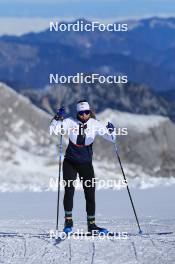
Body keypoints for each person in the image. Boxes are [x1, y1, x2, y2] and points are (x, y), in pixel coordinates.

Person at [50, 100, 116, 234]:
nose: (84, 115)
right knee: (69, 190)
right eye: (81, 113)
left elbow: (111, 138)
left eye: (86, 112)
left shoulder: (95, 124)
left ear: (90, 112)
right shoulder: (69, 122)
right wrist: (57, 118)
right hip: (70, 162)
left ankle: (91, 225)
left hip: (86, 164)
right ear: (77, 113)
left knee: (90, 193)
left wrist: (111, 131)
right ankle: (68, 222)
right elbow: (53, 130)